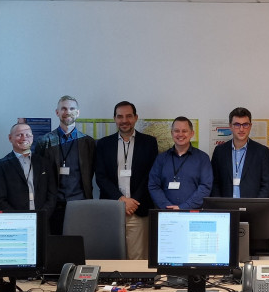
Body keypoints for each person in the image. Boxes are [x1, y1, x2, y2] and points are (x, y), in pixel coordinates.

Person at [94, 101, 159, 260]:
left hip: (138, 209)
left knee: (137, 258)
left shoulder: (149, 143)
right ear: (115, 119)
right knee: (112, 256)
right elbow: (101, 177)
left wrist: (133, 201)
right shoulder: (103, 144)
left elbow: (151, 175)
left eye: (129, 116)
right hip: (112, 209)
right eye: (120, 116)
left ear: (136, 118)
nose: (124, 120)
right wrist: (121, 199)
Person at [35, 95, 96, 234]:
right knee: (55, 247)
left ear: (78, 112)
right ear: (57, 112)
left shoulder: (88, 143)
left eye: (72, 108)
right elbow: (39, 176)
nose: (67, 112)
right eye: (63, 108)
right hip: (53, 205)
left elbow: (92, 171)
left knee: (79, 246)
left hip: (80, 204)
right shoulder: (44, 141)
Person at [0, 123, 57, 215]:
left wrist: (43, 215)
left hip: (42, 220)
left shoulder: (45, 163)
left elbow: (52, 195)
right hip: (14, 223)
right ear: (10, 138)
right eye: (19, 135)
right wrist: (19, 219)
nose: (24, 138)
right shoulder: (0, 166)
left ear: (32, 138)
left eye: (27, 135)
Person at [148, 117, 212, 210]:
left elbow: (205, 187)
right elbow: (153, 185)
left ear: (192, 134)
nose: (180, 134)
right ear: (172, 133)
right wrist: (168, 207)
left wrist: (183, 207)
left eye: (184, 131)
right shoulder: (161, 159)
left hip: (192, 213)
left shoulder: (203, 158)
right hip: (166, 214)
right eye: (176, 131)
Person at [210, 107, 269, 198]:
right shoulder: (219, 151)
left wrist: (256, 207)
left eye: (245, 124)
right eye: (237, 125)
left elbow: (267, 184)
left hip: (253, 209)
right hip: (226, 208)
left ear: (250, 126)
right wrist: (220, 206)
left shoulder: (262, 152)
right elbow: (214, 182)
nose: (241, 129)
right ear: (230, 126)